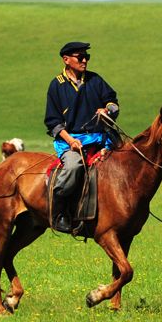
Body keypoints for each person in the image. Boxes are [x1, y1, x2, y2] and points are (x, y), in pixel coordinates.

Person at [44, 41, 119, 233]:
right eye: (80, 57)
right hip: (70, 142)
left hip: (102, 138)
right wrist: (71, 141)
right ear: (66, 60)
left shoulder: (95, 80)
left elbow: (113, 101)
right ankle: (58, 212)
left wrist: (108, 110)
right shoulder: (56, 85)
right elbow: (53, 121)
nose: (85, 60)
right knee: (73, 166)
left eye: (87, 57)